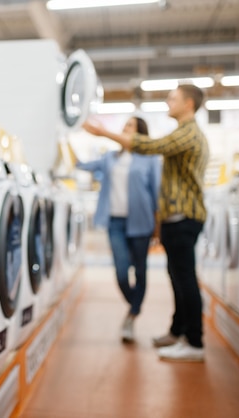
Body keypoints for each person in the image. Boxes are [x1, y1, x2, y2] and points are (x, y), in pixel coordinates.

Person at [82, 84, 209, 362]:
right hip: (176, 218)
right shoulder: (184, 132)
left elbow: (151, 146)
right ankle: (178, 331)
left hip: (183, 216)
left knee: (185, 280)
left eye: (173, 98)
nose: (168, 101)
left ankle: (195, 342)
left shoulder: (188, 133)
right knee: (177, 278)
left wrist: (104, 132)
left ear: (188, 104)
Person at [77, 116, 161, 344]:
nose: (125, 130)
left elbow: (156, 191)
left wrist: (157, 225)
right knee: (122, 272)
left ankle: (132, 316)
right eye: (123, 127)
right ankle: (135, 305)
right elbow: (84, 166)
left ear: (141, 133)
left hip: (141, 221)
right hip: (115, 221)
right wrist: (64, 150)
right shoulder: (110, 157)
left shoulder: (150, 158)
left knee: (141, 271)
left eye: (130, 127)